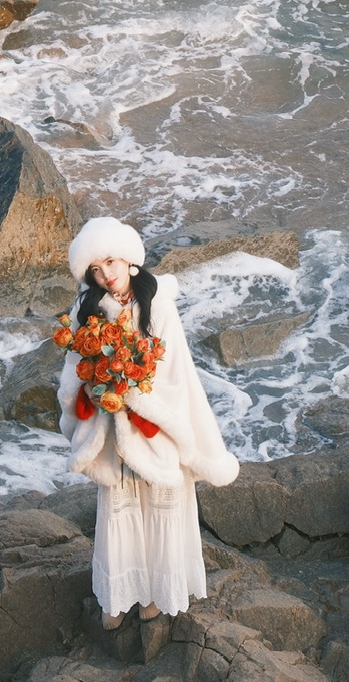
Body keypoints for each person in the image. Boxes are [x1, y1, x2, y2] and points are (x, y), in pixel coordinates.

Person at [57, 216, 239, 628]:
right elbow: (73, 369)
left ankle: (156, 591)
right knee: (120, 504)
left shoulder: (159, 306)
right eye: (95, 269)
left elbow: (176, 372)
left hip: (154, 421)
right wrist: (95, 389)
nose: (106, 275)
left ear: (128, 259)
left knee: (158, 501)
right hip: (110, 423)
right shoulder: (85, 309)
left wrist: (134, 392)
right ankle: (118, 594)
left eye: (111, 263)